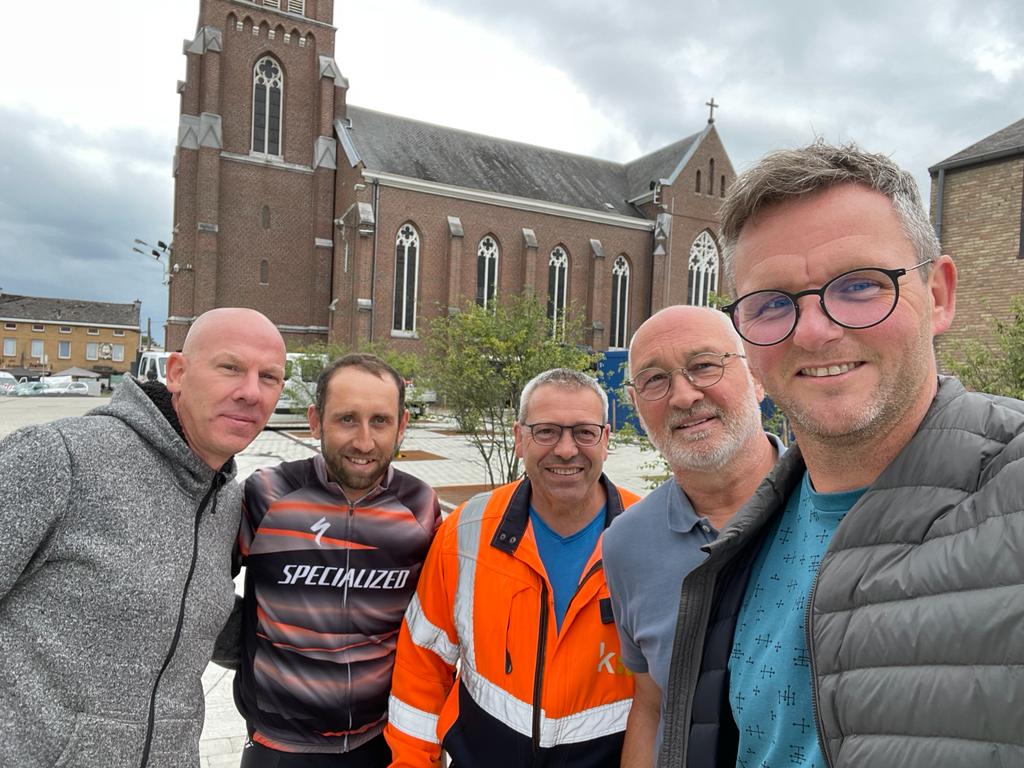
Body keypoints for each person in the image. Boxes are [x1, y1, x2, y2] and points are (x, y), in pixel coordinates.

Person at [657, 142, 1024, 768]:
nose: (813, 330)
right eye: (771, 302)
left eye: (859, 285)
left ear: (937, 295)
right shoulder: (747, 537)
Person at [0, 308, 286, 767]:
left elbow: (196, 618)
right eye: (230, 367)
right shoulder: (60, 458)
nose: (251, 392)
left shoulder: (226, 501)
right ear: (177, 372)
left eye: (269, 377)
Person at [384, 368, 641, 767]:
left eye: (584, 432)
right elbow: (422, 666)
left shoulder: (649, 536)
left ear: (606, 440)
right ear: (519, 439)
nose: (567, 449)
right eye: (546, 432)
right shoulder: (466, 532)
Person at [233, 353, 441, 767]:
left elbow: (436, 625)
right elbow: (197, 594)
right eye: (347, 419)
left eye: (380, 421)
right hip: (279, 747)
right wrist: (246, 654)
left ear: (401, 425)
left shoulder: (420, 507)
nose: (364, 442)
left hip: (381, 743)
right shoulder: (267, 495)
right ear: (315, 420)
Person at [603, 305, 783, 767]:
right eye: (654, 379)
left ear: (758, 377)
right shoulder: (627, 544)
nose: (683, 396)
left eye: (704, 365)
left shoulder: (832, 508)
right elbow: (651, 702)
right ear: (635, 404)